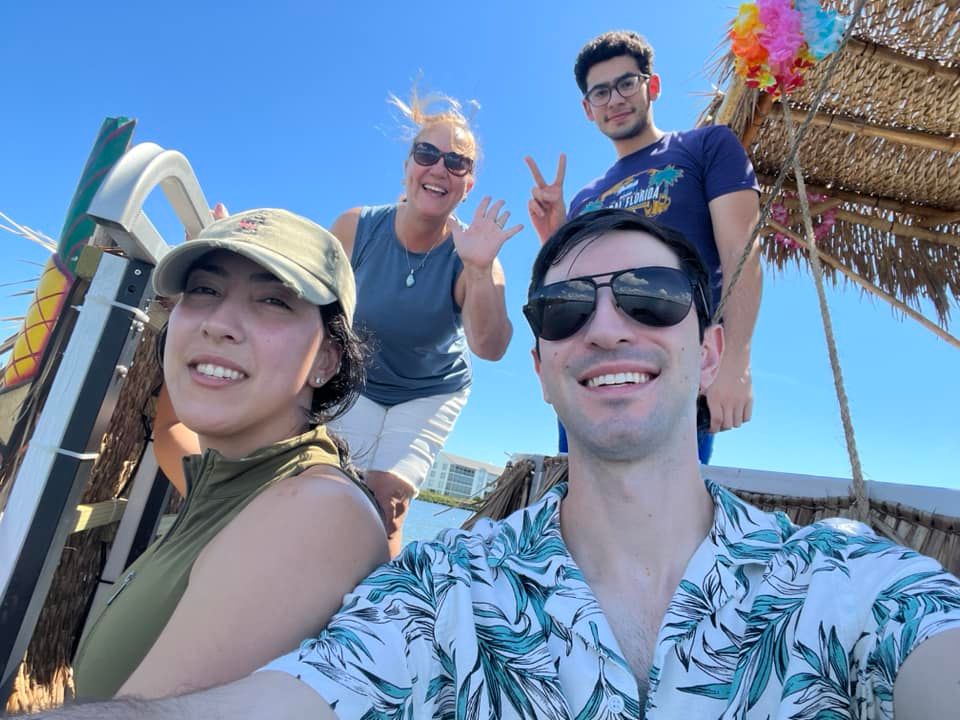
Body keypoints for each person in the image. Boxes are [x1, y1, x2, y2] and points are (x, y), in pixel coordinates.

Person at [41, 210, 960, 719]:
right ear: (543, 372)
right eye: (564, 309)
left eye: (650, 299)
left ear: (712, 350)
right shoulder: (444, 595)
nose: (607, 325)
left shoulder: (842, 575)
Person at [70, 209, 389, 700]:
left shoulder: (315, 511)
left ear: (327, 359)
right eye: (204, 291)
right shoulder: (221, 480)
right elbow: (169, 425)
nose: (219, 324)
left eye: (272, 300)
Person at [526, 29, 762, 464]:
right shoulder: (585, 198)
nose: (614, 99)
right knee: (580, 500)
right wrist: (555, 230)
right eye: (600, 91)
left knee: (662, 510)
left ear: (652, 85)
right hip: (591, 365)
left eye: (626, 83)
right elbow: (577, 285)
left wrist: (736, 361)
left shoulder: (706, 146)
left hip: (670, 361)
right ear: (587, 108)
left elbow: (742, 254)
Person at [326, 90, 520, 556]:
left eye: (457, 163)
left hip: (430, 390)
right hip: (356, 377)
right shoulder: (357, 228)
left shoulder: (474, 256)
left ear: (468, 184)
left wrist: (476, 270)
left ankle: (374, 617)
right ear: (408, 166)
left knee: (386, 498)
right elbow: (310, 302)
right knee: (330, 486)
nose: (439, 169)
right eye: (427, 153)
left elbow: (490, 346)